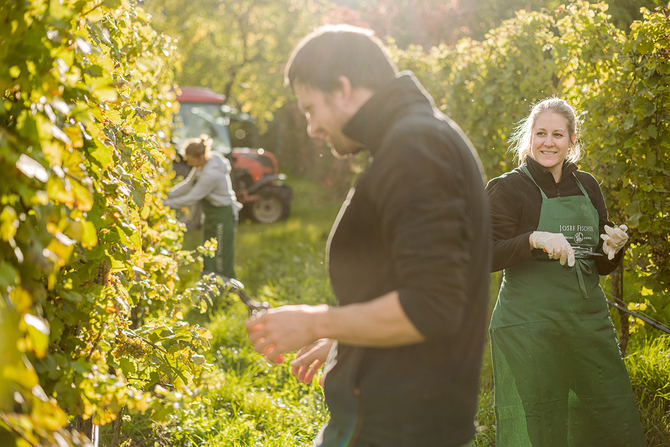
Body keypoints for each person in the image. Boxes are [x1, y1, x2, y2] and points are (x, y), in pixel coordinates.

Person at [245, 25, 491, 447]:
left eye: (309, 110)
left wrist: (316, 321)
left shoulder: (415, 146)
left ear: (342, 89)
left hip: (400, 430)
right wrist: (348, 339)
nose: (311, 128)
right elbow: (407, 284)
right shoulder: (413, 137)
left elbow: (430, 306)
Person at [486, 97, 646, 446]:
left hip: (587, 322)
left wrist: (612, 249)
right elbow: (484, 255)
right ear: (529, 138)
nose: (548, 142)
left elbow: (600, 264)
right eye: (541, 133)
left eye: (558, 134)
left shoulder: (587, 185)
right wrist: (533, 239)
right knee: (547, 419)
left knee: (610, 410)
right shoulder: (509, 188)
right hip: (531, 326)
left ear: (572, 140)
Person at [164, 135, 241, 279]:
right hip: (212, 214)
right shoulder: (202, 165)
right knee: (209, 250)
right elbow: (187, 185)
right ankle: (209, 281)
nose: (187, 162)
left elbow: (191, 198)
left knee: (220, 253)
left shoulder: (211, 174)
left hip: (222, 215)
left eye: (190, 159)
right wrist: (165, 195)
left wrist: (165, 204)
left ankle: (224, 284)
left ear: (199, 157)